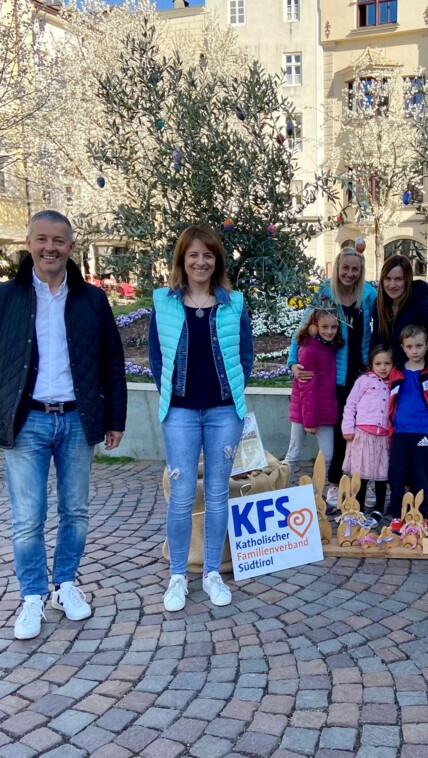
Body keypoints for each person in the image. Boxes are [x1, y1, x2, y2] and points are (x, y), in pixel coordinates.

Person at [0, 210, 127, 640]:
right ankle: (33, 595)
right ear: (28, 243)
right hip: (27, 421)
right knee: (28, 517)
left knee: (75, 511)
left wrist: (116, 418)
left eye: (59, 241)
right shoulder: (4, 297)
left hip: (77, 419)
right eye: (42, 239)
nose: (50, 248)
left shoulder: (92, 300)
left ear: (71, 248)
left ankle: (66, 585)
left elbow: (113, 361)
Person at [148, 225, 253, 613]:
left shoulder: (234, 303)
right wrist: (173, 396)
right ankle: (178, 575)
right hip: (180, 413)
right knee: (180, 497)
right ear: (182, 259)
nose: (200, 261)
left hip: (224, 412)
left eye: (208, 255)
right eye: (193, 254)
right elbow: (157, 360)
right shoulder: (164, 303)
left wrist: (232, 394)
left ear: (217, 261)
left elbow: (245, 355)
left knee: (217, 493)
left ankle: (211, 573)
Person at [289, 248, 377, 507]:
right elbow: (304, 328)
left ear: (361, 272)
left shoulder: (368, 296)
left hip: (360, 373)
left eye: (355, 269)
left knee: (361, 431)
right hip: (335, 375)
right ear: (338, 268)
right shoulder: (327, 294)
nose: (349, 273)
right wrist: (293, 362)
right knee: (339, 434)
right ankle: (335, 483)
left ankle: (362, 484)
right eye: (345, 268)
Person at [387, 324, 428, 524]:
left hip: (424, 432)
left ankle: (420, 514)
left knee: (422, 477)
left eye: (419, 346)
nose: (414, 351)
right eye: (410, 346)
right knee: (397, 476)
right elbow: (390, 403)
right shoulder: (395, 372)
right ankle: (397, 514)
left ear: (427, 346)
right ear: (403, 348)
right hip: (400, 432)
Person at [370, 254, 428, 386]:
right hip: (392, 379)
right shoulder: (380, 305)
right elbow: (378, 341)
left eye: (398, 279)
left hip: (423, 380)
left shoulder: (426, 305)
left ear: (407, 280)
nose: (392, 285)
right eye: (387, 279)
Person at [285, 305, 344, 485]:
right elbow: (307, 389)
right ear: (314, 326)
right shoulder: (309, 349)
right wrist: (309, 422)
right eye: (325, 327)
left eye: (334, 327)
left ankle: (314, 493)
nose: (330, 331)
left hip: (325, 409)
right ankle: (283, 489)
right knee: (293, 453)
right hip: (305, 411)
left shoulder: (328, 346)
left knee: (327, 456)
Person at [341, 345, 394, 523]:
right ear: (371, 364)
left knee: (381, 474)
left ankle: (378, 510)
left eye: (387, 363)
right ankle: (358, 508)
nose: (383, 367)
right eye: (378, 363)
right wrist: (347, 427)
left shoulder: (394, 382)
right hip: (363, 434)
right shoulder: (363, 381)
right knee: (361, 474)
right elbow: (351, 404)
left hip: (383, 437)